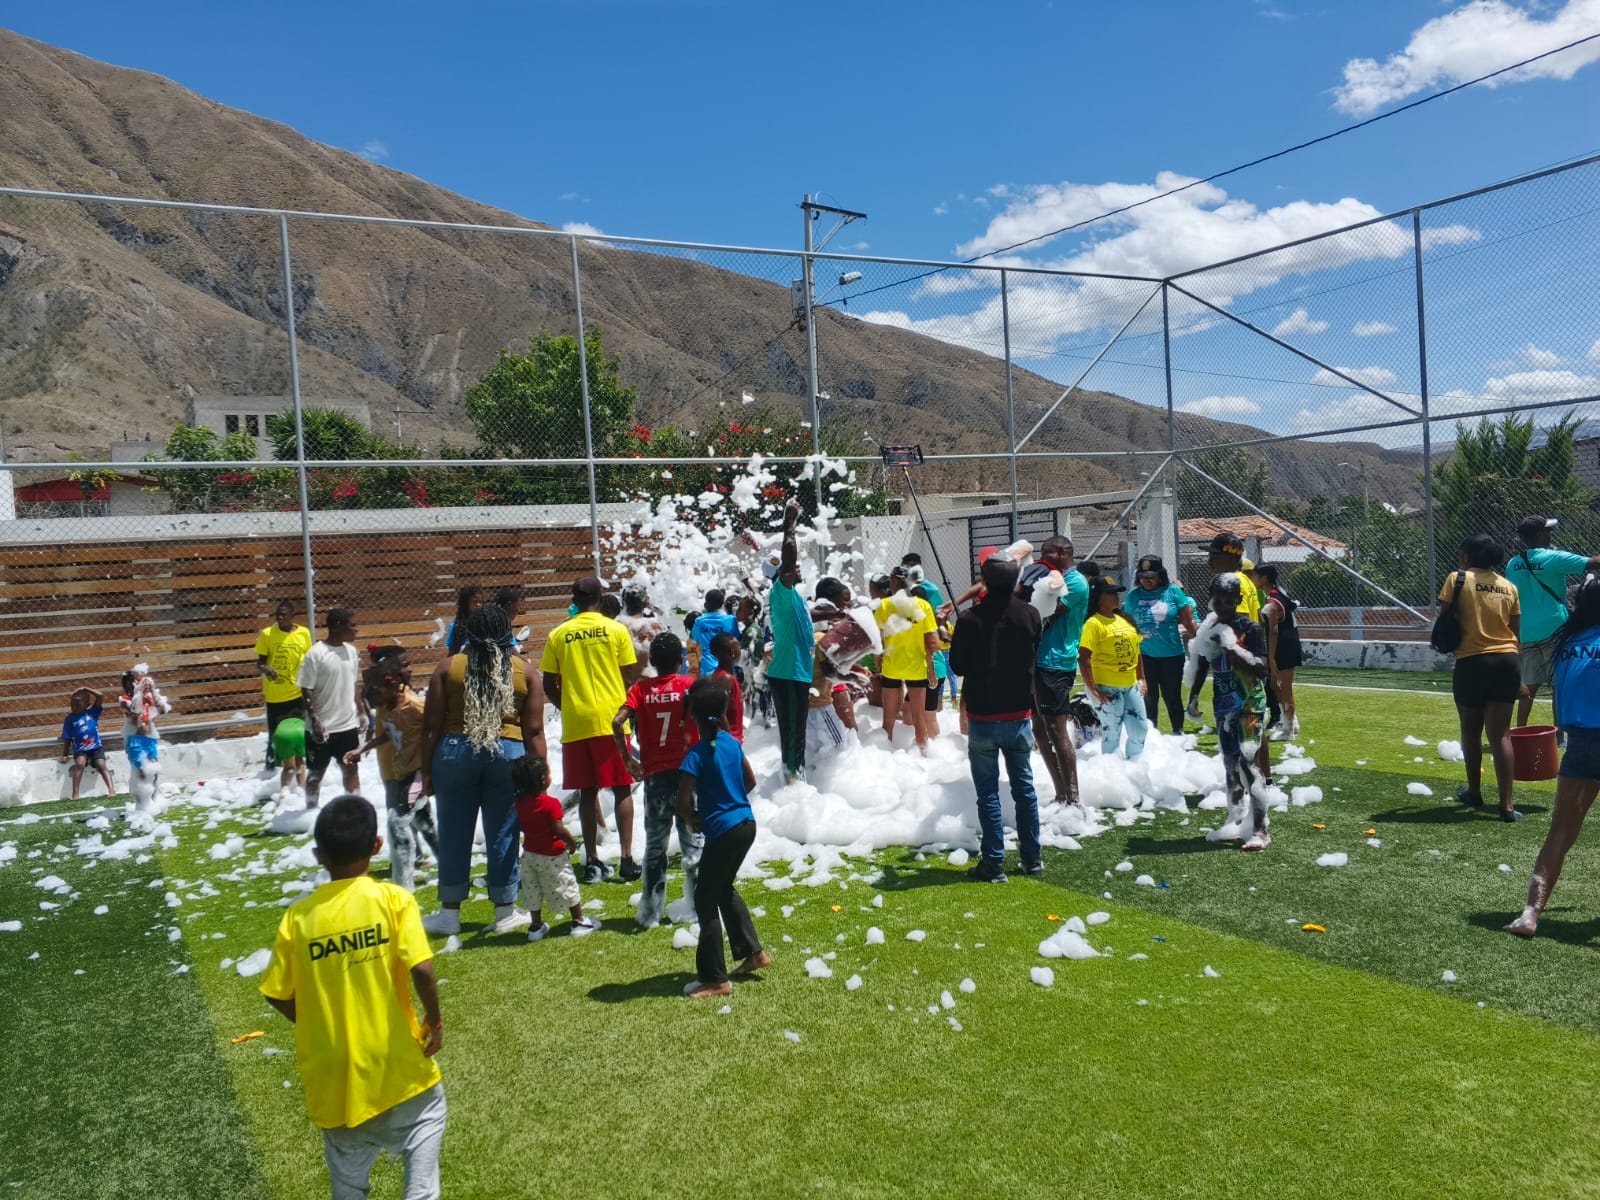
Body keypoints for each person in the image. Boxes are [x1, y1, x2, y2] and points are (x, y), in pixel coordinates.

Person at [258, 795, 446, 1200]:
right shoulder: (393, 900)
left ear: (318, 856)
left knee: (347, 1180)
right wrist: (435, 1019)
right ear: (377, 845)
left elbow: (276, 992)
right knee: (427, 1120)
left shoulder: (299, 917)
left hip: (332, 1077)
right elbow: (422, 970)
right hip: (396, 1064)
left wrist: (316, 1019)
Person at [418, 604, 547, 937]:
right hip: (508, 755)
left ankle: (449, 915)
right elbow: (534, 730)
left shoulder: (448, 668)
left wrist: (426, 771)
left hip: (454, 753)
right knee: (504, 832)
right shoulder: (525, 671)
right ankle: (505, 911)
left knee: (453, 832)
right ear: (507, 635)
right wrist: (541, 772)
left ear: (470, 635)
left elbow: (430, 727)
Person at [1505, 576, 1600, 937]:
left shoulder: (1567, 643)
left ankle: (1530, 914)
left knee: (1560, 832)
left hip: (1580, 745)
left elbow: (1564, 697)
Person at [540, 576, 642, 884]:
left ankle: (593, 861)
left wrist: (569, 705)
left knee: (587, 791)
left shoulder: (558, 634)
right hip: (612, 718)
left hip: (577, 721)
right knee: (622, 788)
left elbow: (548, 683)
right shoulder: (616, 630)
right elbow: (630, 675)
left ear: (574, 600)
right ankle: (626, 859)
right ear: (600, 597)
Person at [950, 554, 1042, 882]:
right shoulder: (1030, 614)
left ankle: (993, 862)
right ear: (1016, 581)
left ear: (983, 582)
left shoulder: (970, 619)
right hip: (1019, 713)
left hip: (983, 715)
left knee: (988, 792)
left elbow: (958, 666)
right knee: (1024, 789)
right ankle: (1032, 858)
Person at [677, 676, 769, 997]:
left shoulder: (696, 755)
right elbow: (750, 781)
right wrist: (731, 802)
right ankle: (753, 953)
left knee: (705, 898)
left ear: (693, 715)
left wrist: (694, 818)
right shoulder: (731, 743)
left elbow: (682, 802)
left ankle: (715, 979)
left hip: (724, 831)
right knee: (722, 888)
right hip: (746, 824)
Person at [613, 631, 703, 930]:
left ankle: (650, 913)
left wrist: (628, 759)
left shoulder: (641, 690)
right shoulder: (689, 685)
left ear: (651, 660)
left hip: (655, 778)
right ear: (679, 660)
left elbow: (617, 721)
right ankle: (698, 906)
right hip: (688, 775)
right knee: (693, 844)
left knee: (655, 847)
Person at [1440, 534, 1524, 822]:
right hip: (1508, 661)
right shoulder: (1509, 586)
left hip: (1472, 662)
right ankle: (1507, 806)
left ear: (1466, 556)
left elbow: (1445, 618)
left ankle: (1474, 792)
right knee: (1501, 735)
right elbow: (1515, 634)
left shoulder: (1457, 579)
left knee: (1470, 731)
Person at [344, 647, 440, 893]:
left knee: (397, 822)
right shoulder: (386, 707)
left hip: (416, 775)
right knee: (425, 825)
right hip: (398, 772)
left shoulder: (415, 707)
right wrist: (363, 748)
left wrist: (432, 769)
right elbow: (387, 734)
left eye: (377, 693)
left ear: (394, 686)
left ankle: (404, 884)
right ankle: (449, 864)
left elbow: (436, 730)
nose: (375, 700)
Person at [1506, 515, 1599, 731]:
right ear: (1540, 535)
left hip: (1526, 631)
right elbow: (1593, 563)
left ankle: (1520, 731)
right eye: (1548, 531)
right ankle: (1558, 734)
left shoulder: (1513, 564)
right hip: (1553, 628)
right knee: (1559, 683)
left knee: (1529, 685)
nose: (1550, 534)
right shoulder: (1553, 558)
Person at [1202, 573, 1273, 852]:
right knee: (1230, 764)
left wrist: (1234, 649)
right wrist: (1193, 697)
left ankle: (1260, 830)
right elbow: (1201, 663)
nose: (1223, 606)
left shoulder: (1249, 628)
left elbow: (1262, 668)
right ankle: (1236, 821)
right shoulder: (1210, 627)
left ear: (1239, 600)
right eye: (1218, 601)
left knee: (1247, 764)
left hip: (1249, 704)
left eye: (1229, 601)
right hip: (1223, 704)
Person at [1020, 536, 1090, 806]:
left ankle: (1073, 799)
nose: (1042, 559)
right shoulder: (1052, 578)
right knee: (1039, 729)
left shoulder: (1075, 582)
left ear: (1062, 552)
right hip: (1037, 660)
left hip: (1056, 661)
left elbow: (1047, 614)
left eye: (1046, 553)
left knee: (1056, 730)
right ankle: (1060, 792)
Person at [511, 756, 599, 941]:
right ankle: (578, 921)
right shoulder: (550, 804)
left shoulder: (519, 804)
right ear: (543, 779)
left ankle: (536, 927)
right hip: (552, 855)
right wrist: (572, 842)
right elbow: (558, 829)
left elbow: (519, 825)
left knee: (533, 889)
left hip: (529, 855)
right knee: (567, 884)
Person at [1185, 533, 1263, 722]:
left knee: (1242, 724)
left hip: (1236, 671)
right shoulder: (1246, 581)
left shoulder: (1232, 583)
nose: (1209, 561)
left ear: (1231, 559)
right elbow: (1259, 618)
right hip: (1245, 665)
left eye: (1215, 556)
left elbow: (1237, 626)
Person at [296, 609, 367, 809]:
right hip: (322, 728)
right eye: (352, 625)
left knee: (351, 769)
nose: (356, 630)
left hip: (347, 725)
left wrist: (361, 712)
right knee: (316, 773)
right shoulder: (316, 654)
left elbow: (354, 684)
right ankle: (311, 811)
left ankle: (355, 810)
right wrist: (315, 721)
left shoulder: (351, 652)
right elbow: (305, 689)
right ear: (337, 627)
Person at [768, 499, 816, 784]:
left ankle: (796, 781)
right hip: (788, 674)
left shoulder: (794, 597)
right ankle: (793, 785)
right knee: (793, 734)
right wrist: (789, 526)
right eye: (791, 567)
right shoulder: (780, 592)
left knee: (797, 734)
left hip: (796, 673)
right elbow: (787, 563)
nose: (797, 568)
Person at [1124, 555, 1197, 734]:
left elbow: (1188, 621)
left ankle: (1178, 732)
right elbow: (1127, 624)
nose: (1146, 580)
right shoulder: (1133, 595)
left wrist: (1201, 644)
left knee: (1172, 697)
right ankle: (1152, 735)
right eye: (1142, 576)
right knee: (1148, 697)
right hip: (1144, 655)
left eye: (1151, 576)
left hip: (1171, 655)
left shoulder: (1173, 592)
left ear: (1160, 575)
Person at [1079, 575, 1148, 761]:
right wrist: (1093, 689)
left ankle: (1134, 765)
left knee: (1140, 729)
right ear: (1097, 598)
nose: (1116, 597)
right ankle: (1112, 770)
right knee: (1112, 731)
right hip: (1105, 686)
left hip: (1130, 685)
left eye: (1116, 593)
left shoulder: (1125, 619)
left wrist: (1142, 677)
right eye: (1110, 593)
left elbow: (1137, 651)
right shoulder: (1093, 624)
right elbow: (1083, 658)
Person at [875, 570, 939, 752]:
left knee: (888, 719)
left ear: (894, 582)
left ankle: (885, 756)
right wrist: (932, 671)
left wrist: (878, 662)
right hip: (916, 668)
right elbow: (931, 643)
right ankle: (924, 754)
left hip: (891, 667)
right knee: (919, 719)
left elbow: (877, 639)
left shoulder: (885, 605)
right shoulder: (923, 605)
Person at [806, 577, 862, 766]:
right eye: (845, 600)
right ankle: (833, 775)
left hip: (808, 701)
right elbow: (829, 670)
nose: (847, 605)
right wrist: (852, 677)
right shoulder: (821, 638)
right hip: (821, 701)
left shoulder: (810, 636)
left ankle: (816, 775)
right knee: (840, 742)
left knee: (813, 746)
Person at [255, 600, 312, 768]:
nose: (280, 618)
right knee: (276, 736)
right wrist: (266, 669)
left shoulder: (304, 633)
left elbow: (309, 661)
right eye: (277, 614)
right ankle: (272, 770)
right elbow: (260, 663)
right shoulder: (268, 634)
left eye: (283, 614)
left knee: (300, 733)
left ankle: (302, 768)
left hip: (297, 693)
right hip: (276, 695)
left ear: (292, 616)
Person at [1255, 564, 1303, 739]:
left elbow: (1274, 631)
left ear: (1264, 578)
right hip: (1284, 646)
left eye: (1255, 576)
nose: (1253, 580)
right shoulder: (1276, 595)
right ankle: (1291, 721)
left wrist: (1271, 657)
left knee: (1285, 688)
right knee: (1275, 686)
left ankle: (1288, 730)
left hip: (1284, 647)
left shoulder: (1273, 601)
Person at [118, 665, 171, 811]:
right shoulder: (125, 700)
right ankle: (142, 806)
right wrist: (139, 691)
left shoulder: (148, 698)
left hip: (150, 738)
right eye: (138, 681)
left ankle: (153, 803)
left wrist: (153, 690)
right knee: (142, 772)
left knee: (154, 772)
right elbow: (135, 711)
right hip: (134, 739)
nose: (142, 683)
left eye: (143, 680)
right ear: (129, 684)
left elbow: (163, 710)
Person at [60, 686, 115, 801]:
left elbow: (100, 696)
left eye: (78, 705)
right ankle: (75, 793)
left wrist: (86, 688)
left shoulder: (92, 713)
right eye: (72, 705)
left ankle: (111, 790)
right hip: (80, 749)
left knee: (101, 765)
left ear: (87, 705)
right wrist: (65, 754)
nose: (74, 707)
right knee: (80, 763)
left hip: (96, 747)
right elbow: (67, 738)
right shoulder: (69, 719)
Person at [618, 584, 666, 676]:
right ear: (645, 604)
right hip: (650, 680)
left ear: (623, 603)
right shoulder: (654, 627)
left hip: (623, 680)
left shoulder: (615, 627)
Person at [690, 589, 739, 677]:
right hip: (726, 669)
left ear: (705, 605)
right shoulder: (731, 620)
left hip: (706, 670)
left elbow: (694, 640)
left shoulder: (699, 622)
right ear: (722, 604)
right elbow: (737, 639)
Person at [709, 632, 746, 742]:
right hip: (729, 740)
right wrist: (730, 741)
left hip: (733, 739)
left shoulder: (726, 676)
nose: (740, 650)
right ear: (732, 652)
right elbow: (719, 714)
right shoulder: (725, 679)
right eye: (739, 647)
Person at [444, 585, 483, 656]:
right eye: (474, 601)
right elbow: (452, 653)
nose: (478, 604)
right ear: (466, 603)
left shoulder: (486, 624)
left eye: (480, 602)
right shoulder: (455, 627)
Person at [275, 715, 308, 798]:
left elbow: (277, 762)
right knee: (299, 759)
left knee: (288, 767)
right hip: (301, 732)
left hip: (282, 735)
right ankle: (301, 788)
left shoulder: (281, 724)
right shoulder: (301, 720)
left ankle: (284, 791)